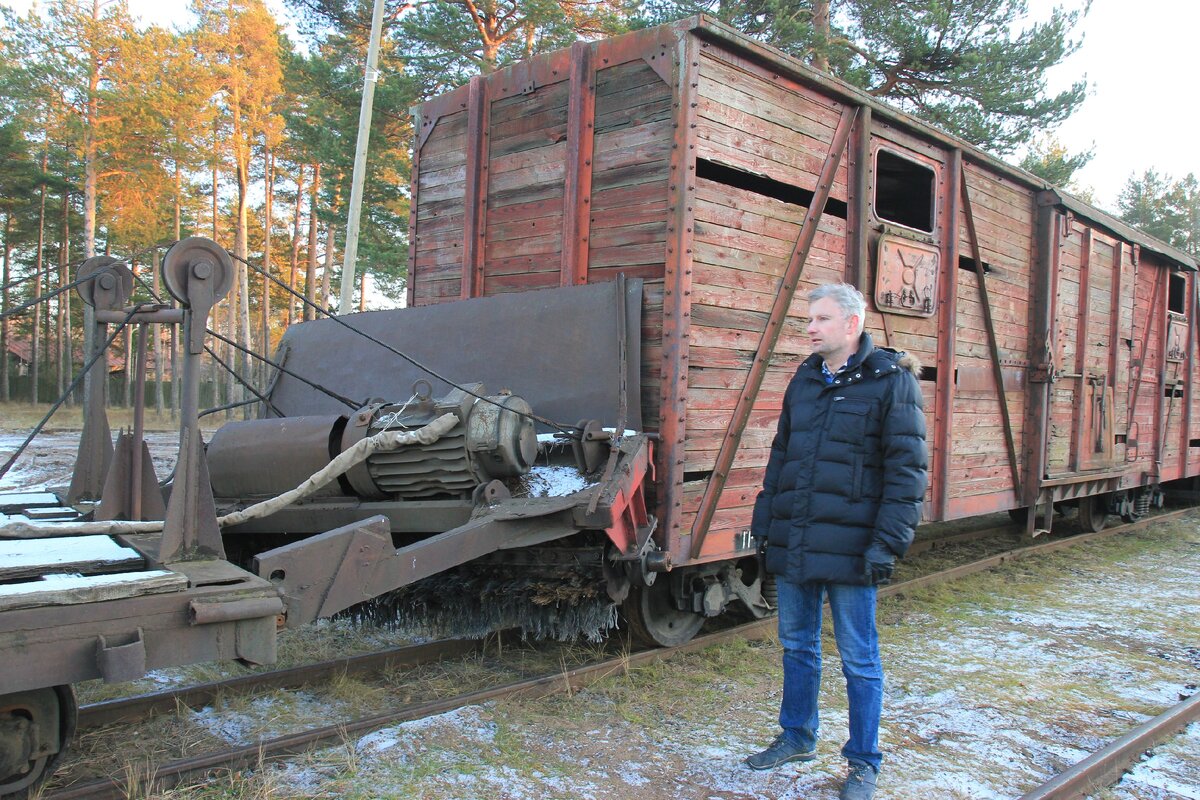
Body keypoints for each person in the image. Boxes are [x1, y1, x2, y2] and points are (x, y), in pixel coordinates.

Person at [745, 282, 927, 800]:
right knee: (797, 646)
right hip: (799, 539)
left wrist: (885, 546)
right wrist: (766, 526)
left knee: (859, 658)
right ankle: (797, 735)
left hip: (853, 547)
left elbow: (907, 475)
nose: (810, 328)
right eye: (810, 319)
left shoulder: (892, 382)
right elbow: (781, 460)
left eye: (821, 319)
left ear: (852, 324)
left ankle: (864, 761)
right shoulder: (804, 380)